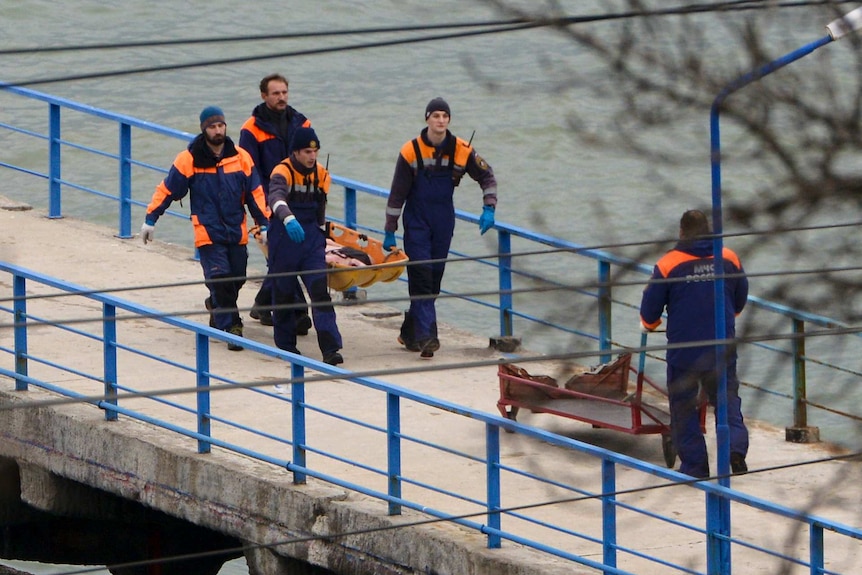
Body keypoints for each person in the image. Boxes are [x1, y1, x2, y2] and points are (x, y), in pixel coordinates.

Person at [141, 106, 270, 351]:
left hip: (236, 228)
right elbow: (168, 190)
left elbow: (255, 194)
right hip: (207, 231)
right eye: (212, 126)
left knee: (238, 277)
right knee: (220, 278)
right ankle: (232, 327)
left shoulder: (241, 157)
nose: (218, 130)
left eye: (221, 125)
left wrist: (263, 223)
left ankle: (216, 304)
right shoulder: (188, 159)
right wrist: (151, 218)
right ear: (204, 129)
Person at [383, 97, 498, 359]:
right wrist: (390, 228)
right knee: (421, 276)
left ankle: (409, 332)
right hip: (417, 220)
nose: (441, 120)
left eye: (445, 116)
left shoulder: (461, 149)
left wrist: (488, 207)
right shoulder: (410, 151)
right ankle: (428, 337)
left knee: (433, 280)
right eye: (436, 115)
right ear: (427, 119)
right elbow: (397, 194)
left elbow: (487, 176)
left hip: (444, 219)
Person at [639, 209, 750, 478]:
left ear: (681, 232)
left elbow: (649, 313)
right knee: (727, 401)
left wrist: (650, 325)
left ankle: (696, 467)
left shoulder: (668, 264)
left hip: (685, 351)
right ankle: (735, 452)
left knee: (684, 405)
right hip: (721, 346)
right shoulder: (728, 257)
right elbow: (740, 298)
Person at [239, 73, 312, 333]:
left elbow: (309, 161)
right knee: (285, 254)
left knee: (286, 254)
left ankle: (263, 303)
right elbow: (250, 170)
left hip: (300, 201)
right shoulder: (251, 129)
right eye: (276, 93)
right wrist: (262, 208)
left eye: (284, 92)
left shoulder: (301, 123)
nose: (281, 97)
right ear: (264, 96)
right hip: (269, 201)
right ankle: (298, 311)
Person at [267, 126, 344, 366]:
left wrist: (323, 237)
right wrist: (288, 218)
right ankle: (286, 346)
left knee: (320, 292)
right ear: (296, 152)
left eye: (315, 151)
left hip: (311, 240)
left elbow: (320, 210)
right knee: (284, 293)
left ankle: (331, 349)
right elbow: (276, 198)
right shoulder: (282, 171)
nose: (312, 156)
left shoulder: (321, 174)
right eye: (307, 152)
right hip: (284, 237)